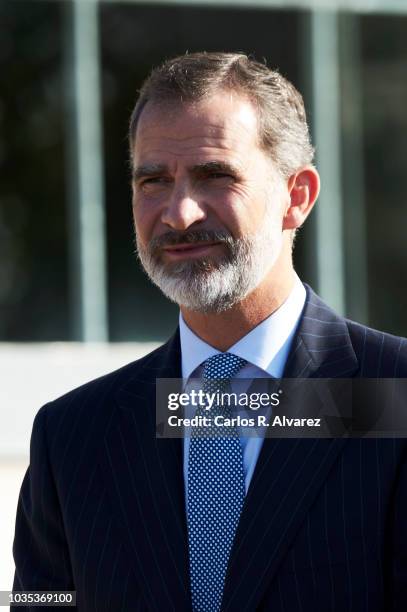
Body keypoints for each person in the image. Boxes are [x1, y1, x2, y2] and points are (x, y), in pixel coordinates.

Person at [12, 52, 407, 611]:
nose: (179, 213)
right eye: (154, 180)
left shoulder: (394, 397)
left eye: (215, 175)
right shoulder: (72, 436)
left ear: (297, 196)